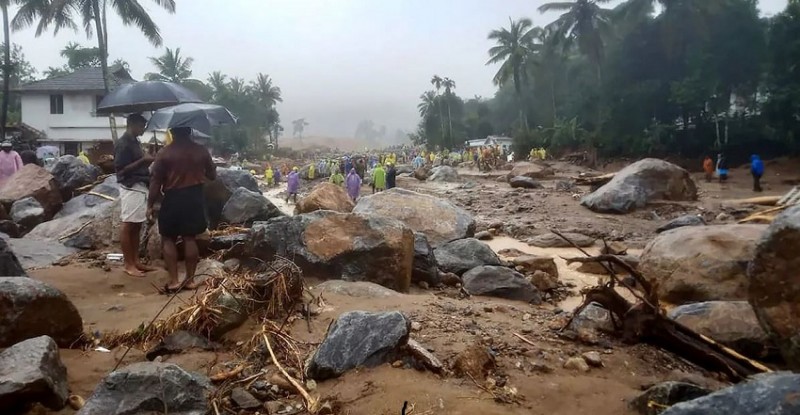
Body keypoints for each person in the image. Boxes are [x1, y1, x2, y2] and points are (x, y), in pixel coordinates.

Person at [147, 127, 216, 293]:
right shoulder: (201, 151)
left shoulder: (164, 153)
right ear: (190, 132)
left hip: (173, 197)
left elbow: (156, 182)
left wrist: (149, 205)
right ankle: (190, 281)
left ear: (173, 132)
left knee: (168, 238)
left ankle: (174, 280)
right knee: (190, 238)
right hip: (194, 197)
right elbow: (212, 175)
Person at [114, 114, 156, 278]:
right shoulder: (123, 143)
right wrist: (142, 161)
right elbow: (120, 170)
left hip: (140, 185)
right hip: (131, 186)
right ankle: (128, 264)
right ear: (131, 124)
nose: (143, 129)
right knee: (129, 224)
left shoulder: (135, 142)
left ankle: (135, 260)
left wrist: (147, 159)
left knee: (137, 225)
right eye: (141, 125)